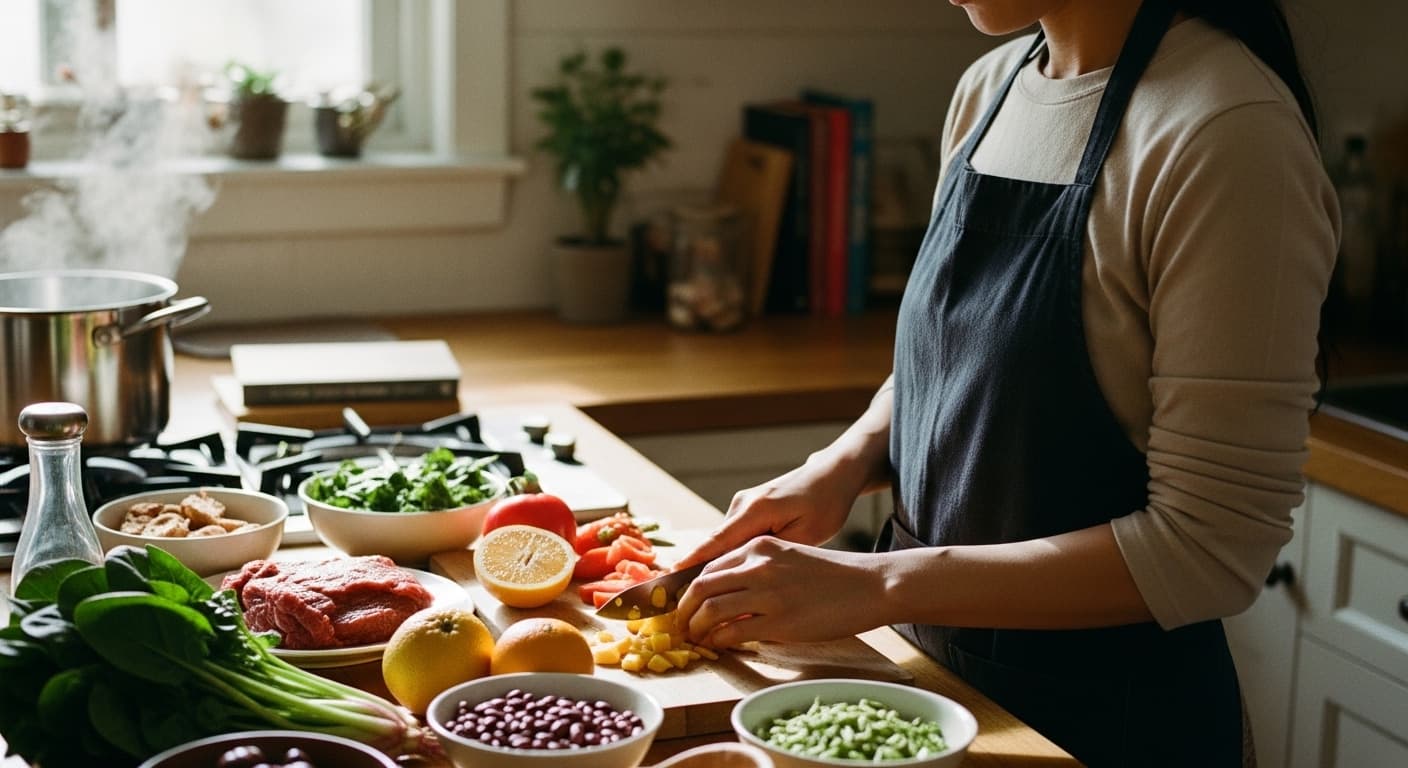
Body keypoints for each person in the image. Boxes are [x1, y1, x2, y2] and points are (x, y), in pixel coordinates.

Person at [671, 1, 1338, 765]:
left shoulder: (1227, 131)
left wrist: (879, 585)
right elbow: (962, 362)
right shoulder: (991, 88)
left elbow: (1211, 546)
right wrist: (845, 462)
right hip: (931, 687)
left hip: (1106, 725)